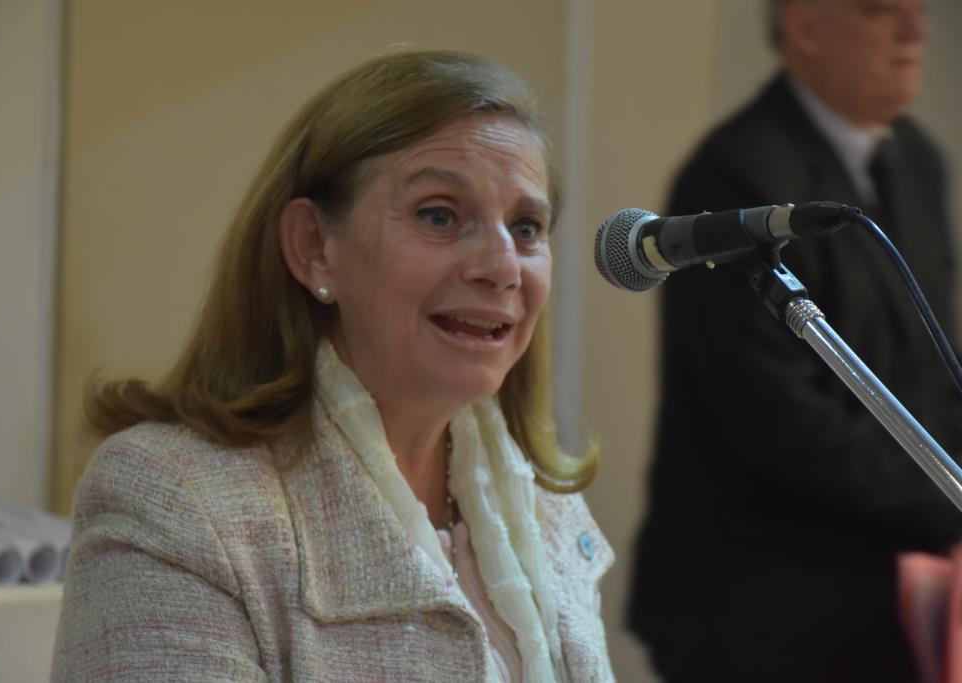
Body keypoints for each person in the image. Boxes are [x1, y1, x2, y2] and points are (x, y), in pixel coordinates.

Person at [50, 51, 615, 682]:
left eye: (527, 227)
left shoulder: (549, 516)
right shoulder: (180, 502)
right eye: (439, 215)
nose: (503, 266)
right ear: (314, 248)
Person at [628, 2, 962, 682]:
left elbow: (933, 357)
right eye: (881, 10)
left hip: (889, 581)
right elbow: (779, 419)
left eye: (918, 11)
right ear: (806, 27)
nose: (916, 30)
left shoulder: (919, 160)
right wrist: (946, 503)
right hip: (761, 597)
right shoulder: (735, 172)